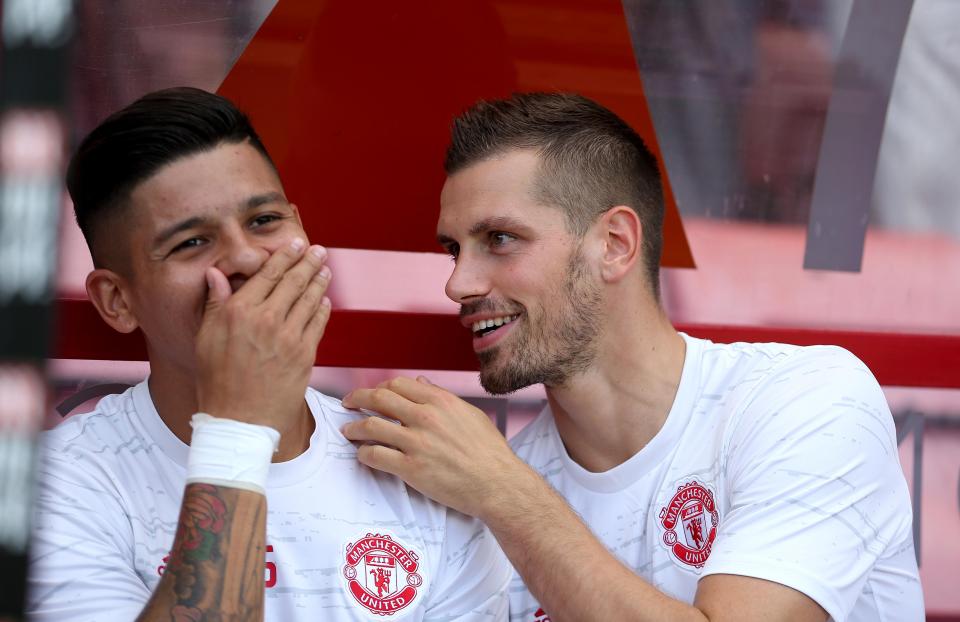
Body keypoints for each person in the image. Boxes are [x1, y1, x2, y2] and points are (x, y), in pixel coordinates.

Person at [340, 93, 925, 621]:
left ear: (615, 245)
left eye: (500, 239)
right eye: (453, 249)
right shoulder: (492, 485)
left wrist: (504, 493)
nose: (458, 284)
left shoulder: (806, 399)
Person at [27, 87, 511, 621]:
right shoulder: (59, 483)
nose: (244, 257)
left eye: (264, 221)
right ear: (117, 301)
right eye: (191, 242)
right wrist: (239, 421)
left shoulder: (417, 463)